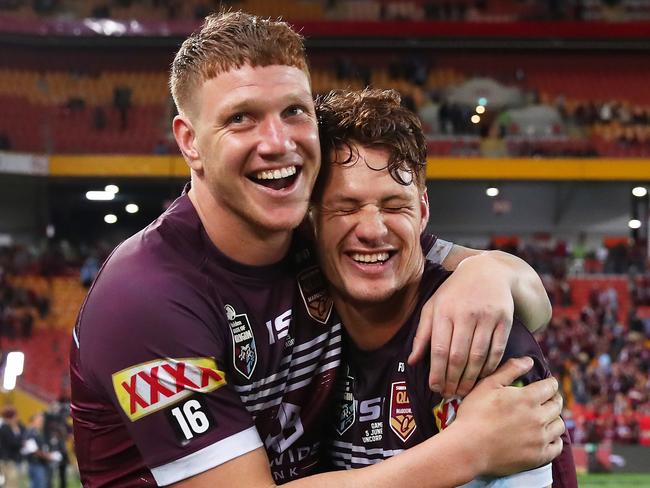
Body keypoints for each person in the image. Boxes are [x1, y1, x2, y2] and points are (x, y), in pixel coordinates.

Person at [71, 11, 560, 486]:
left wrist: (489, 273)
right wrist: (468, 451)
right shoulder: (146, 298)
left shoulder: (317, 238)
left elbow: (531, 300)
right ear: (190, 141)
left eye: (294, 111)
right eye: (241, 118)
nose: (278, 142)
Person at [311, 88, 576, 487]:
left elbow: (535, 301)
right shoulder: (289, 311)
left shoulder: (478, 330)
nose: (371, 230)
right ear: (309, 219)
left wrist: (491, 268)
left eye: (394, 206)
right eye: (346, 207)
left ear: (423, 211)